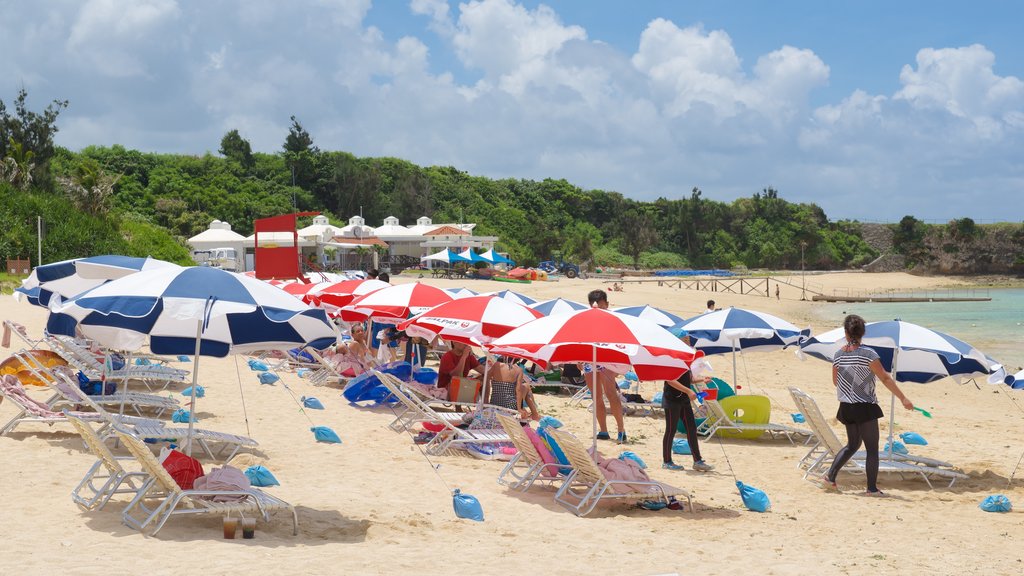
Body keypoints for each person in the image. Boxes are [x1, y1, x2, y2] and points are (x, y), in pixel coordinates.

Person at [823, 314, 914, 495]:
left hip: (846, 406)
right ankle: (871, 489)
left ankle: (830, 477)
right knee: (872, 449)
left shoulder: (839, 355)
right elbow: (885, 379)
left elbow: (836, 381)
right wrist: (903, 398)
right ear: (863, 333)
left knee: (853, 444)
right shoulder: (869, 354)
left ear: (846, 333)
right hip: (865, 406)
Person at [661, 328, 714, 472]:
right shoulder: (671, 357)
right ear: (677, 340)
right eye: (685, 339)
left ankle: (697, 461)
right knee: (670, 430)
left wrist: (702, 379)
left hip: (683, 398)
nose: (688, 342)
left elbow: (688, 379)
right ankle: (667, 461)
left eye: (688, 339)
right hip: (672, 399)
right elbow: (670, 380)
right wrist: (688, 390)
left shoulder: (685, 357)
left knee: (691, 428)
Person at [582, 289, 627, 443]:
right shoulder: (586, 320)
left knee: (610, 392)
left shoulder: (614, 319)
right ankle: (603, 430)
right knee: (596, 396)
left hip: (608, 358)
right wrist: (579, 358)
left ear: (607, 304)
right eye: (595, 306)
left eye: (602, 306)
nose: (598, 309)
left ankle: (621, 429)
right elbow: (582, 339)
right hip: (591, 358)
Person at [485, 356, 540, 421]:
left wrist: (486, 399)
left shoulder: (497, 365)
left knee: (525, 386)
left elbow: (486, 378)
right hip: (510, 406)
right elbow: (518, 390)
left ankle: (534, 414)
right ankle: (535, 415)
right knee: (526, 386)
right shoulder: (518, 370)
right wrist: (519, 408)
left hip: (495, 403)